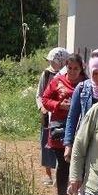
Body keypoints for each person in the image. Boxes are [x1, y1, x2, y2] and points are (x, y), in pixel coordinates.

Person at [42, 54, 85, 195]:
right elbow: (45, 100)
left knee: (79, 160)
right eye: (70, 68)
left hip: (80, 127)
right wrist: (59, 105)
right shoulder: (57, 81)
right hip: (60, 126)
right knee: (63, 162)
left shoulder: (86, 84)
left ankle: (79, 193)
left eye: (76, 68)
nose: (72, 71)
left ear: (81, 69)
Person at [63, 56, 98, 161]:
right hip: (85, 140)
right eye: (95, 73)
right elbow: (72, 117)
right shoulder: (82, 88)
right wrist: (68, 144)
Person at [37, 48, 69, 186]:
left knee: (62, 145)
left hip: (62, 116)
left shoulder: (70, 75)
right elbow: (39, 94)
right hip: (47, 114)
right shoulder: (46, 74)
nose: (51, 63)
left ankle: (60, 175)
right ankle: (48, 174)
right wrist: (42, 108)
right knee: (47, 144)